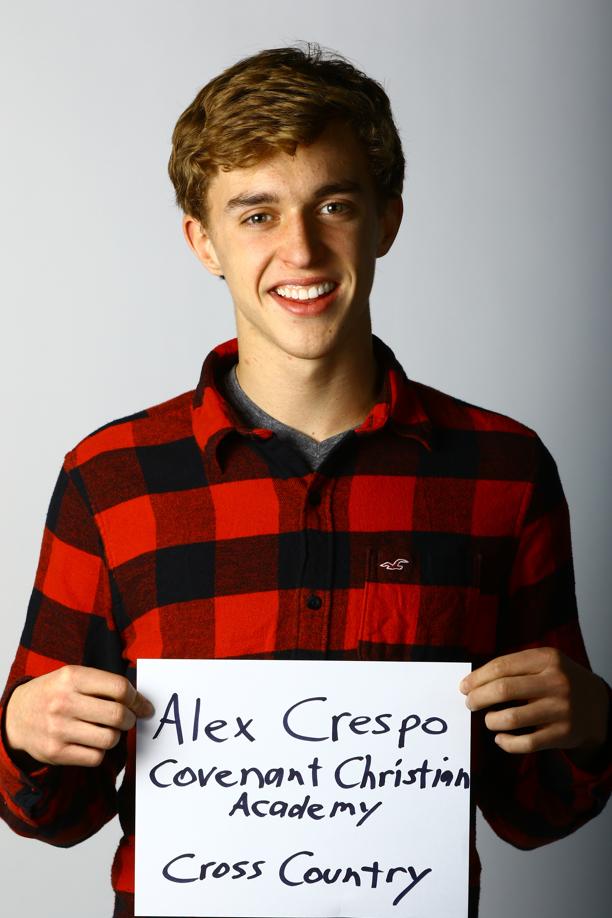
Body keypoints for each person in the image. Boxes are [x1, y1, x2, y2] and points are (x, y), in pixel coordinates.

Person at [0, 43, 610, 918]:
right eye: (257, 214)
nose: (302, 249)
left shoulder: (504, 472)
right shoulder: (110, 480)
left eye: (334, 205)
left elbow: (536, 813)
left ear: (386, 221)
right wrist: (23, 735)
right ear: (203, 241)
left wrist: (590, 723)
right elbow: (50, 815)